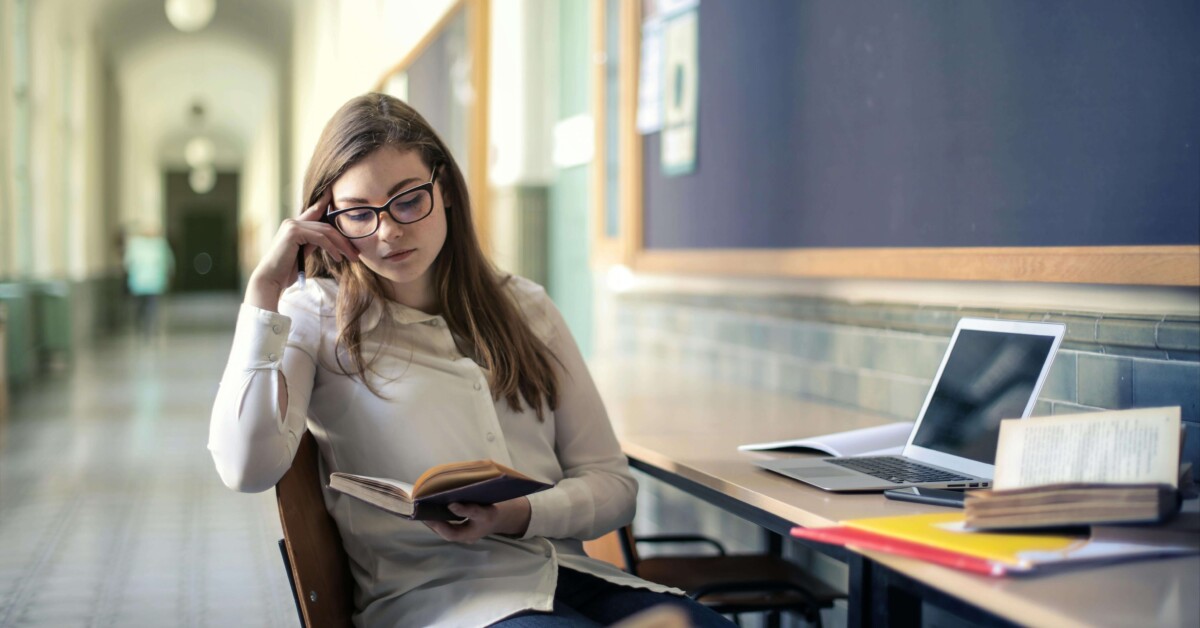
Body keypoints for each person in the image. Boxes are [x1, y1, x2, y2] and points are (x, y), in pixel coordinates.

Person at [208, 93, 733, 627]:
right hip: (440, 602)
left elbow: (614, 488)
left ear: (447, 190)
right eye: (359, 214)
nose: (388, 231)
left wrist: (519, 514)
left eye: (408, 200)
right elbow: (245, 468)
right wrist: (264, 293)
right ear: (329, 221)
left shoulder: (525, 307)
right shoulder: (313, 315)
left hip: (568, 576)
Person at [123, 226, 175, 338]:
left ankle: (142, 324)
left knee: (140, 306)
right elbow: (170, 261)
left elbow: (127, 263)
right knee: (152, 305)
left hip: (138, 282)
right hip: (154, 282)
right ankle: (149, 325)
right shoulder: (160, 244)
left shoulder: (135, 244)